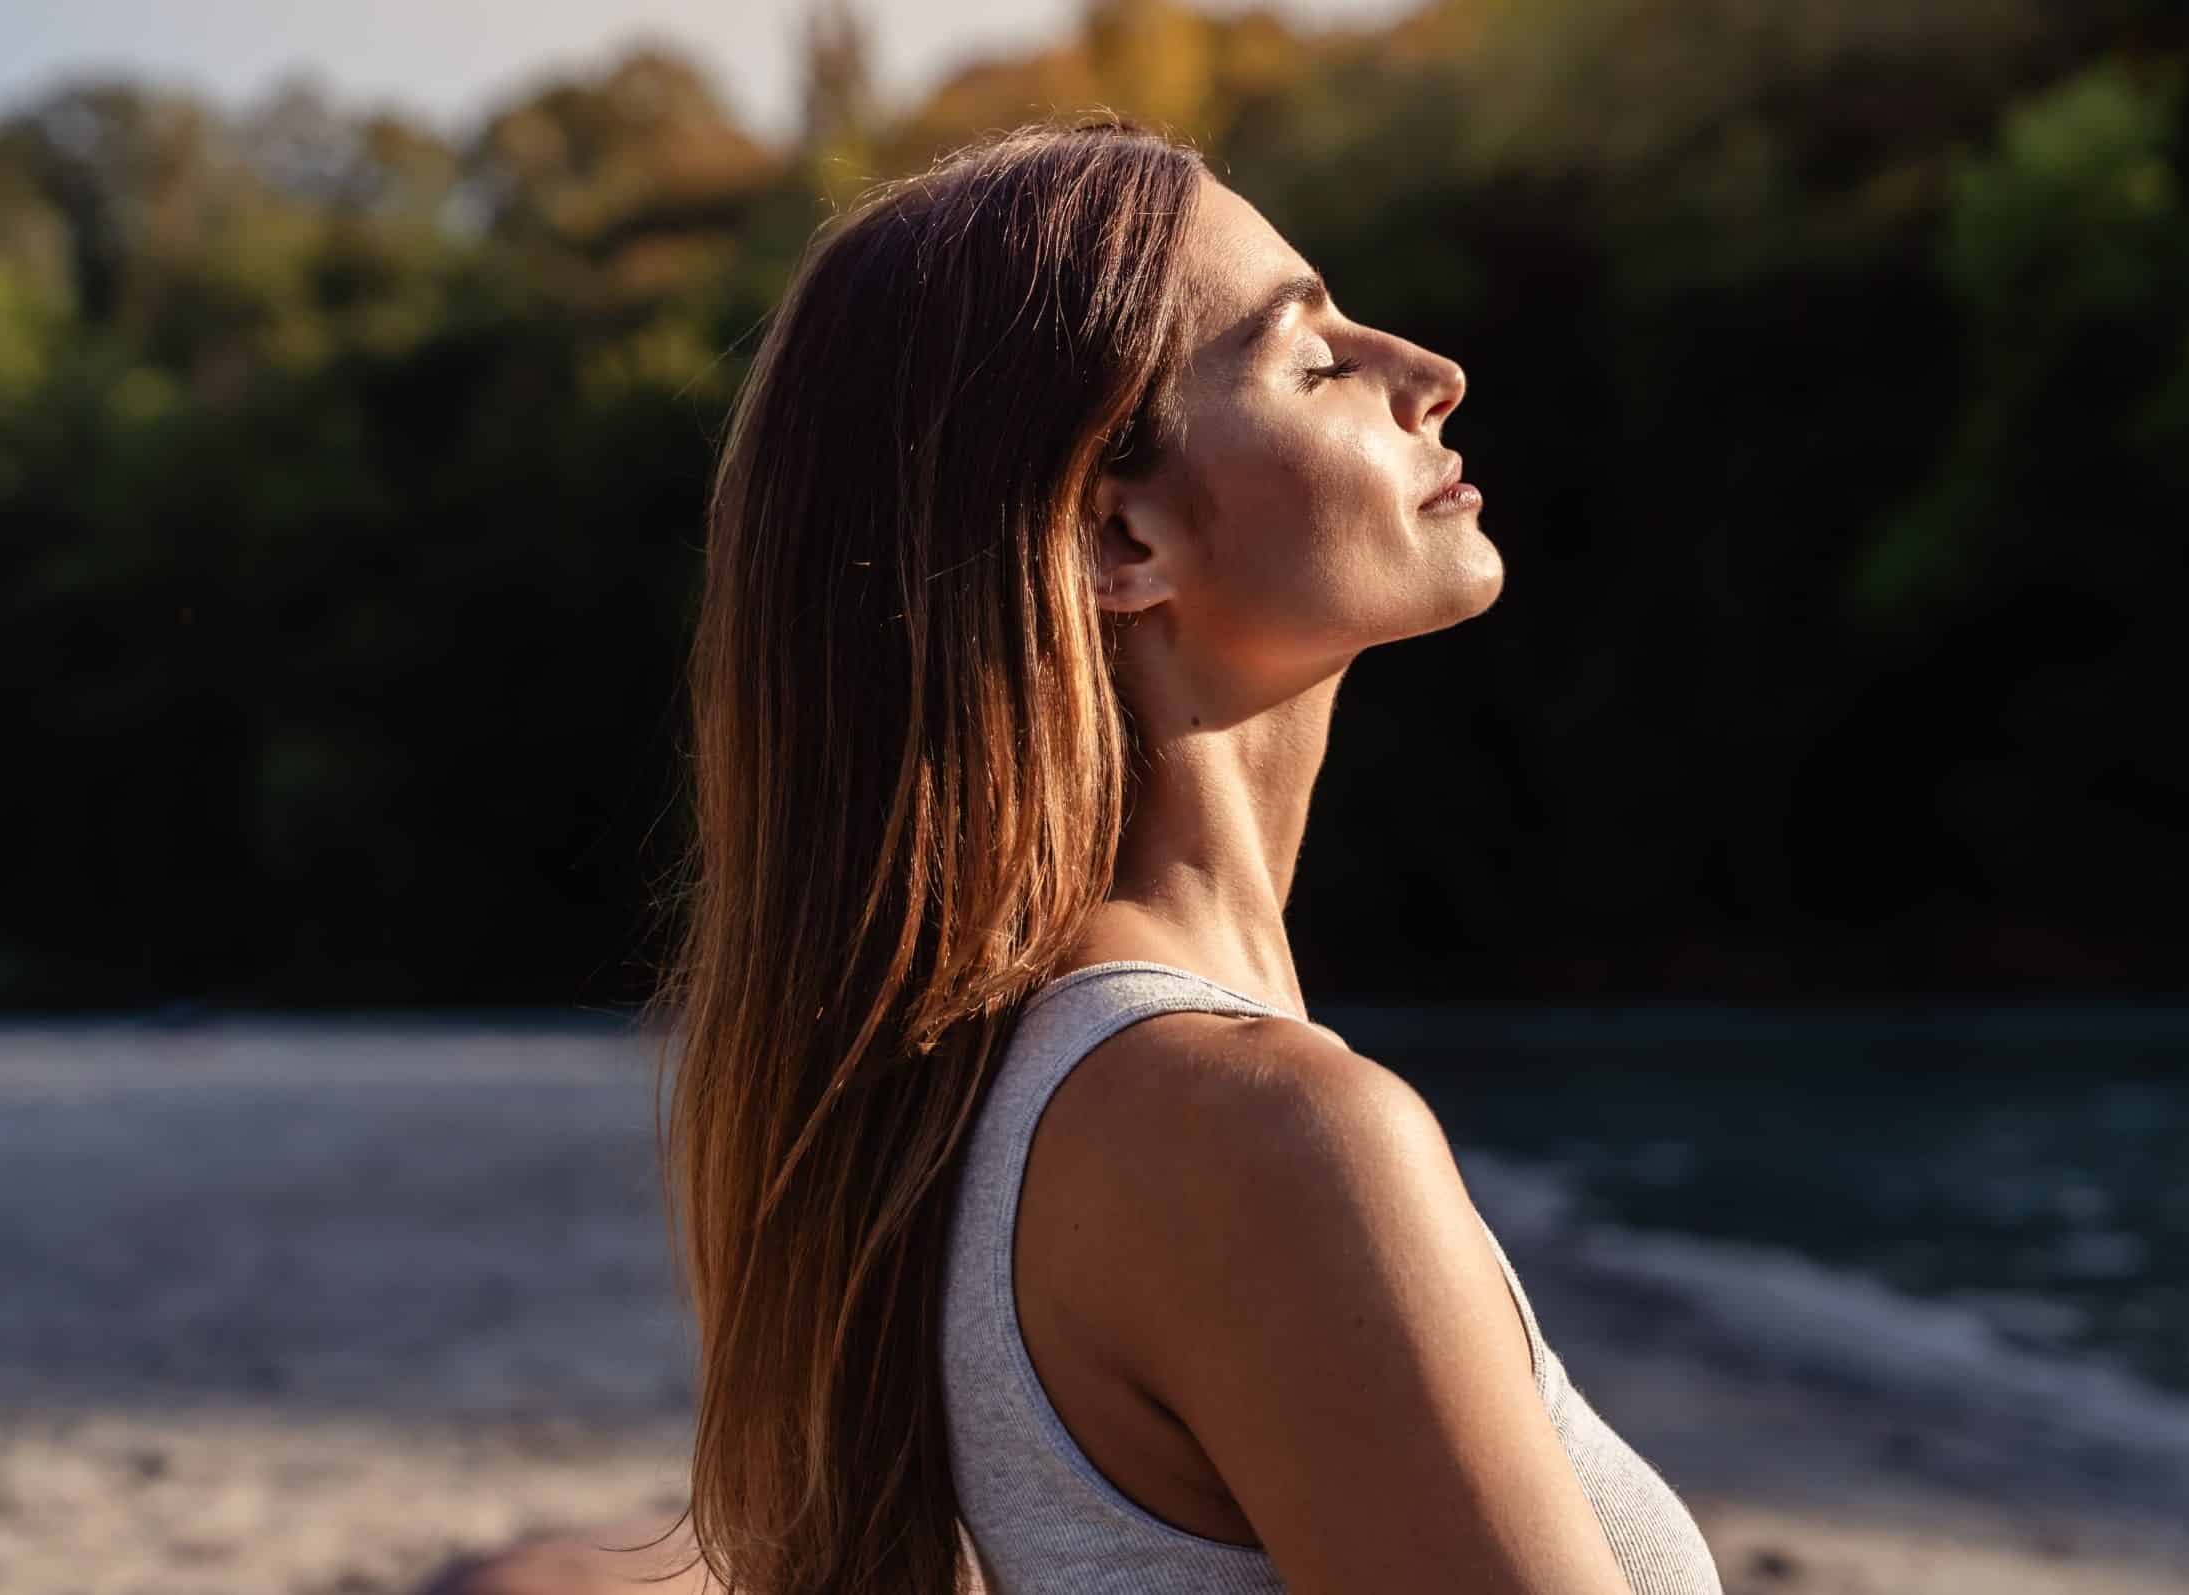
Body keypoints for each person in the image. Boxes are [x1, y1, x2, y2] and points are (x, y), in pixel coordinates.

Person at [641, 116, 1724, 1593]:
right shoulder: (1266, 1138)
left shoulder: (983, 1111)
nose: (1432, 373)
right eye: (1316, 361)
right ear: (1117, 539)